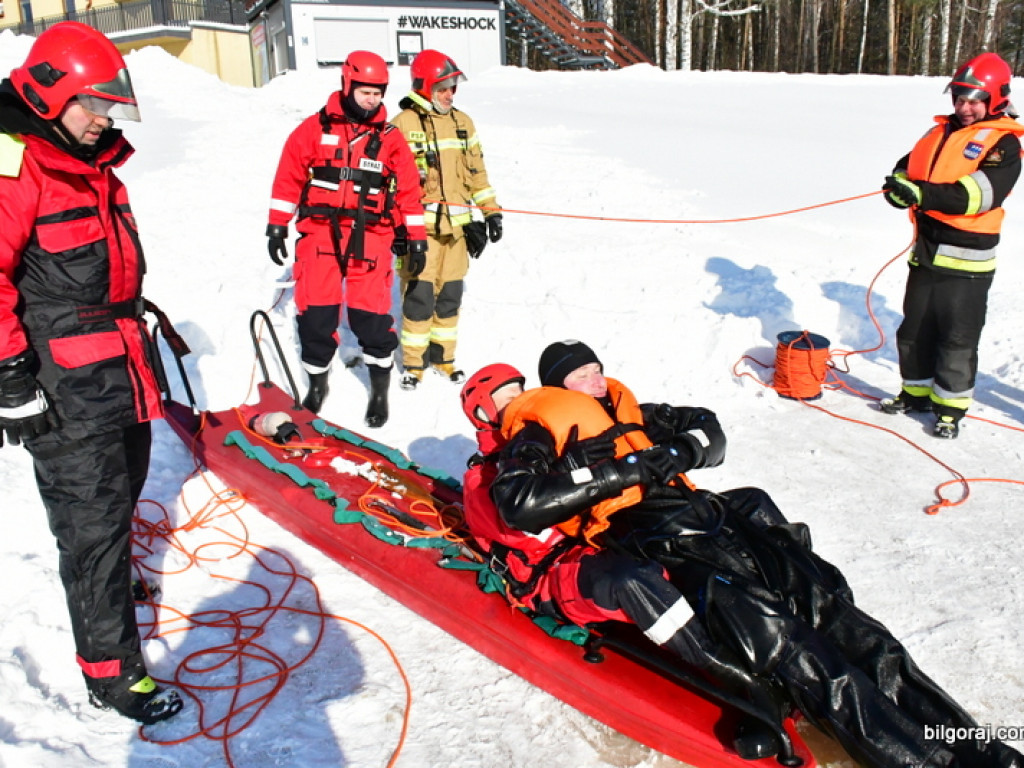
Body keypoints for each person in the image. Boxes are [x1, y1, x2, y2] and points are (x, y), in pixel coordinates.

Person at [486, 340, 1023, 768]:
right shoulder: (539, 431)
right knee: (804, 654)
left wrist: (680, 449)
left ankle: (980, 748)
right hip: (661, 544)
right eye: (580, 376)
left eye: (596, 368)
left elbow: (709, 429)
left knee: (860, 634)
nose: (595, 380)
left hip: (720, 524)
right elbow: (520, 504)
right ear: (558, 388)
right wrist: (621, 472)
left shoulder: (638, 413)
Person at [460, 363, 785, 760]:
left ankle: (788, 619)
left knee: (734, 512)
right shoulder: (484, 478)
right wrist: (568, 473)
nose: (520, 403)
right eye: (507, 399)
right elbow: (521, 527)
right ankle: (742, 684)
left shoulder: (548, 433)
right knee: (633, 580)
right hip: (553, 571)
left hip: (604, 535)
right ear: (481, 413)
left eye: (521, 391)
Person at [0, 22, 183, 724]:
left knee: (123, 493)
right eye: (94, 105)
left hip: (115, 369)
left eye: (112, 106)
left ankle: (104, 593)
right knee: (92, 528)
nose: (105, 119)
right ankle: (112, 674)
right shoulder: (17, 164)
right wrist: (11, 376)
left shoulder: (91, 160)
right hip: (62, 386)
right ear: (51, 94)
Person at [266, 51, 427, 427]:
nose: (372, 100)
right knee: (316, 316)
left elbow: (408, 193)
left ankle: (379, 389)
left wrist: (415, 237)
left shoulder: (390, 139)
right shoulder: (313, 129)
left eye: (378, 93)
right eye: (366, 92)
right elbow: (288, 176)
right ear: (347, 84)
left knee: (371, 318)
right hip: (319, 235)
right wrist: (277, 224)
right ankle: (317, 386)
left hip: (371, 236)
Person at [880, 52, 1024, 439]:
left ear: (995, 99)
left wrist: (920, 194)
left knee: (956, 337)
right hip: (926, 250)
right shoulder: (939, 131)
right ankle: (915, 395)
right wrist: (897, 188)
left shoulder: (1004, 144)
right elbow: (906, 167)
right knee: (915, 330)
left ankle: (949, 409)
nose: (964, 108)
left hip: (967, 261)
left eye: (974, 100)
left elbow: (976, 196)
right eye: (959, 99)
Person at [391, 50, 503, 390]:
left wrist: (490, 212)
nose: (450, 95)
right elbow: (390, 185)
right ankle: (414, 363)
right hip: (419, 233)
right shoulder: (401, 125)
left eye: (453, 88)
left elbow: (477, 174)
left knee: (450, 296)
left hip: (456, 232)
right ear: (424, 87)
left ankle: (443, 357)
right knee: (419, 297)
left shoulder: (463, 123)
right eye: (443, 88)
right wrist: (398, 229)